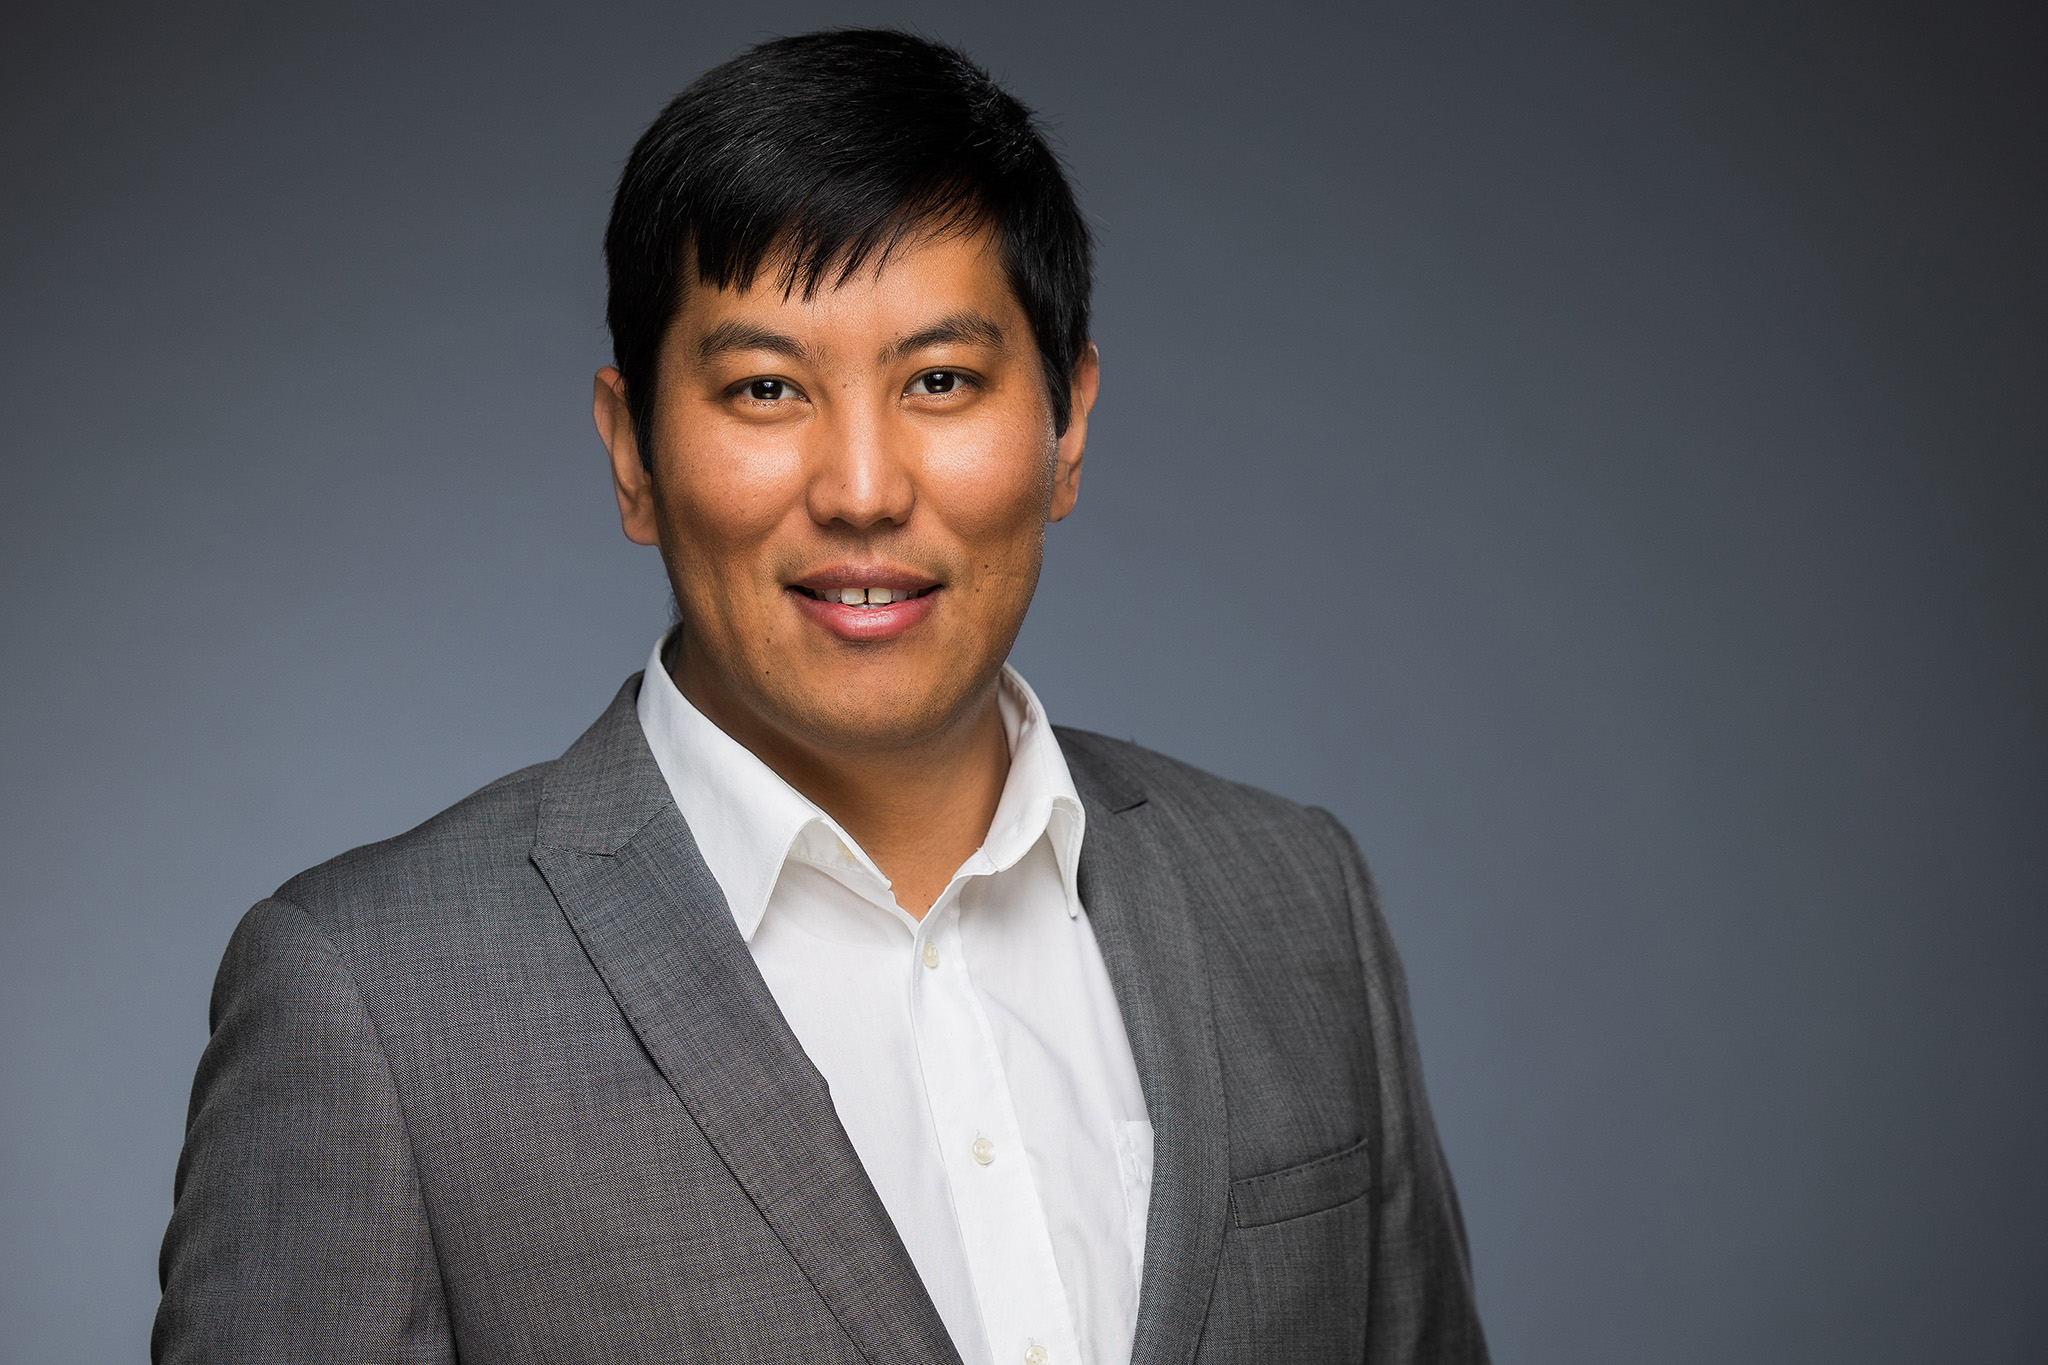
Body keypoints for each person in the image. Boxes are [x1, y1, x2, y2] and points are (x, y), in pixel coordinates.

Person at [153, 28, 1487, 1365]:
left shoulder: (1293, 897)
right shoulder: (376, 1003)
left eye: (940, 381)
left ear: (1067, 428)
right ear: (633, 453)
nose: (862, 489)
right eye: (767, 388)